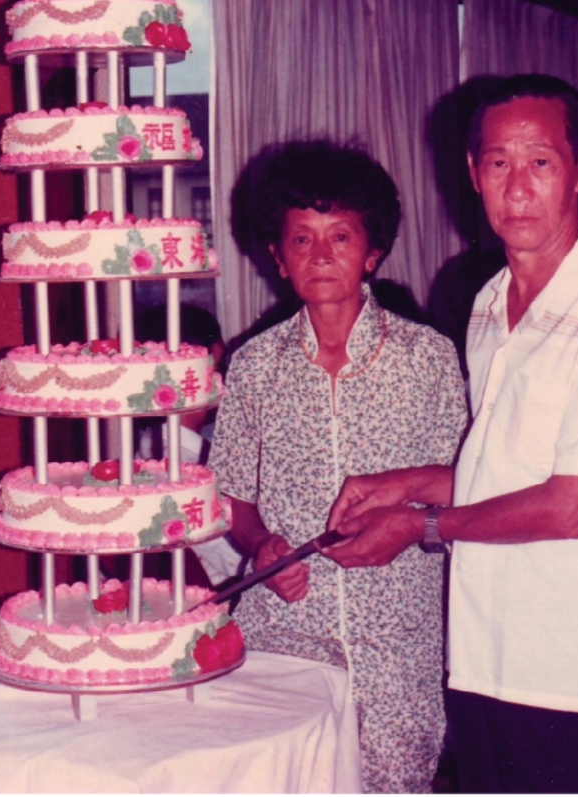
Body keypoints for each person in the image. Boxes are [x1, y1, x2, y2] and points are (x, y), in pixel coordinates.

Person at [326, 75, 578, 793]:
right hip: (479, 655)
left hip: (571, 672)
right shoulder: (489, 302)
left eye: (541, 162)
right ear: (473, 173)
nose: (517, 188)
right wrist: (404, 484)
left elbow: (568, 506)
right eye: (499, 163)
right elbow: (503, 472)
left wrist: (420, 524)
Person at [209, 140, 467, 793]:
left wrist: (409, 517)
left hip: (397, 648)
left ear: (372, 251)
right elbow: (231, 497)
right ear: (278, 256)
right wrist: (260, 546)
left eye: (341, 236)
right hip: (283, 640)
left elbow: (468, 485)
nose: (321, 254)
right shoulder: (254, 365)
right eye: (302, 239)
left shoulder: (429, 358)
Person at [135, 302, 244, 586]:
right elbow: (243, 562)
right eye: (221, 365)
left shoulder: (151, 452)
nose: (227, 379)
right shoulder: (181, 472)